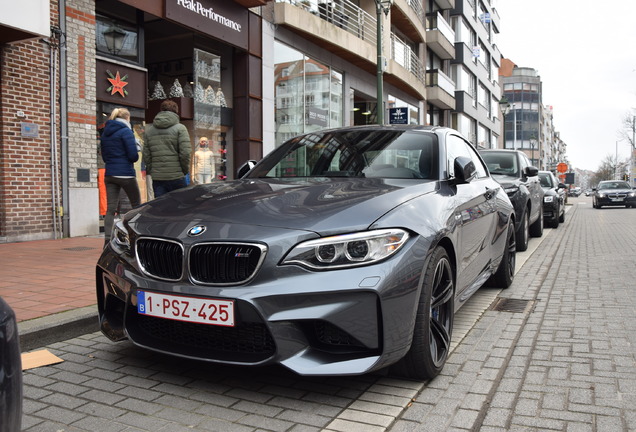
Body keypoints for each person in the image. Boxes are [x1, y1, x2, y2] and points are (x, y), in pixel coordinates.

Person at [100, 107, 141, 244]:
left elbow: (104, 156)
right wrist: (137, 148)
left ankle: (106, 240)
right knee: (136, 206)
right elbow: (133, 156)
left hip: (110, 173)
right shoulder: (126, 131)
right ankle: (135, 237)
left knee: (110, 209)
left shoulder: (106, 132)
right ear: (127, 118)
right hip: (125, 174)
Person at [142, 99, 191, 198]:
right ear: (176, 111)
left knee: (161, 208)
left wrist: (153, 171)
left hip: (158, 178)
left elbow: (146, 155)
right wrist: (184, 170)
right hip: (177, 176)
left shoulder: (149, 130)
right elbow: (185, 153)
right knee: (181, 207)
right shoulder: (180, 128)